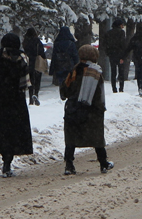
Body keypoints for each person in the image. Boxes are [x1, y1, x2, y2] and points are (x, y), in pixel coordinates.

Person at [59, 45, 114, 175]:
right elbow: (98, 94)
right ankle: (103, 163)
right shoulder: (96, 72)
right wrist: (100, 109)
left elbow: (65, 91)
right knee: (97, 138)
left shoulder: (73, 71)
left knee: (71, 138)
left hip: (73, 109)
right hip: (91, 110)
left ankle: (69, 165)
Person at [0, 33, 33, 177]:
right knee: (15, 131)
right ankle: (10, 158)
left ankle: (5, 159)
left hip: (1, 99)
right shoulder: (22, 58)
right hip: (16, 100)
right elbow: (25, 82)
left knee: (3, 131)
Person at [22, 28, 46, 105]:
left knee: (30, 80)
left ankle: (31, 96)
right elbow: (42, 52)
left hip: (29, 62)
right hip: (37, 62)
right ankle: (36, 94)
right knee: (37, 79)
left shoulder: (25, 42)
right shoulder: (37, 41)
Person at [125, 29, 142, 97]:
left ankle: (139, 86)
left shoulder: (134, 38)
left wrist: (123, 55)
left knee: (139, 73)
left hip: (136, 58)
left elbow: (129, 48)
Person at [103, 20, 128, 93]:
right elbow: (123, 44)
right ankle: (121, 88)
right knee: (121, 72)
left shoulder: (108, 33)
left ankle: (114, 88)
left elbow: (105, 44)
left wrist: (108, 53)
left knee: (113, 72)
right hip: (120, 54)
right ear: (119, 25)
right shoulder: (121, 33)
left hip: (112, 54)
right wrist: (123, 56)